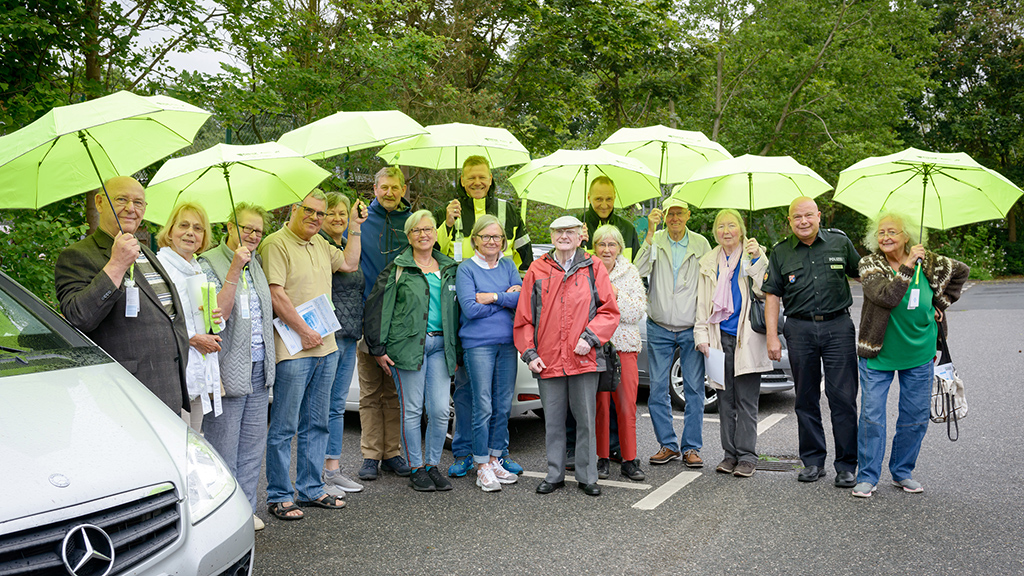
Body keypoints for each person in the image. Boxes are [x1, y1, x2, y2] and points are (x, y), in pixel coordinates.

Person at [259, 189, 365, 520]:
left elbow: (349, 262)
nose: (316, 218)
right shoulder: (275, 244)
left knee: (317, 422)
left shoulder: (321, 243)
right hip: (293, 349)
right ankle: (279, 494)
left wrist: (357, 227)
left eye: (321, 213)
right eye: (310, 211)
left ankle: (310, 488)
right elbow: (276, 295)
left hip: (327, 346)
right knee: (285, 426)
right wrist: (303, 331)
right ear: (294, 209)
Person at [851, 212, 969, 498]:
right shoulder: (870, 264)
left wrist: (940, 302)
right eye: (881, 232)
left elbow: (961, 272)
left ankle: (902, 471)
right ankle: (867, 476)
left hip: (920, 350)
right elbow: (887, 297)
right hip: (878, 353)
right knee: (871, 416)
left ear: (907, 236)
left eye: (893, 232)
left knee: (914, 417)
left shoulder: (929, 261)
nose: (886, 237)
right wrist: (906, 265)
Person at [55, 176, 189, 414]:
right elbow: (78, 317)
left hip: (167, 388)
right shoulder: (77, 256)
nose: (131, 208)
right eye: (121, 199)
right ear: (99, 202)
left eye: (138, 202)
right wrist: (116, 264)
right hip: (122, 395)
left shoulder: (146, 252)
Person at [437, 155, 531, 479]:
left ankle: (499, 455)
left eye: (482, 177)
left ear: (491, 178)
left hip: (500, 309)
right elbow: (436, 251)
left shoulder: (507, 208)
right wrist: (447, 223)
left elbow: (524, 251)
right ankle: (465, 454)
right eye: (470, 177)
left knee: (498, 398)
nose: (477, 182)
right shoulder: (451, 210)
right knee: (467, 392)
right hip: (459, 301)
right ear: (462, 180)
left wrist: (503, 297)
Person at [514, 216, 619, 497]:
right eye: (559, 231)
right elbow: (524, 318)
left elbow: (609, 311)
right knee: (554, 421)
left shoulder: (594, 266)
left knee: (586, 420)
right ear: (551, 235)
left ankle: (587, 476)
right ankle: (554, 473)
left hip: (583, 358)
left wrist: (591, 337)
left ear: (580, 236)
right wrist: (529, 353)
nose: (564, 236)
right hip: (547, 358)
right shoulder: (537, 269)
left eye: (569, 231)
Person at [763, 196, 860, 487]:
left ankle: (846, 464)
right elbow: (772, 296)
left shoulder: (840, 243)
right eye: (797, 217)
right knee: (805, 398)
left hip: (838, 327)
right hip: (800, 329)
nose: (803, 222)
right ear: (789, 221)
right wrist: (771, 336)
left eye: (808, 215)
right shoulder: (780, 252)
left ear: (819, 216)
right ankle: (813, 461)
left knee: (842, 398)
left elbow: (868, 276)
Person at [364, 210, 460, 492]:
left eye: (428, 229)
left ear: (435, 233)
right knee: (412, 410)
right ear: (409, 236)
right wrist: (378, 348)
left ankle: (432, 465)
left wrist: (458, 351)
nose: (423, 234)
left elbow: (457, 311)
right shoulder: (398, 268)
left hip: (441, 347)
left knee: (441, 410)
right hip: (407, 349)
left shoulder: (449, 268)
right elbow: (377, 308)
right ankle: (416, 467)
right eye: (417, 230)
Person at [199, 202, 276, 531]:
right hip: (228, 369)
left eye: (259, 230)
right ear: (229, 226)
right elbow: (215, 318)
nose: (253, 235)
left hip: (259, 367)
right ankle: (223, 517)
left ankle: (246, 508)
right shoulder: (209, 263)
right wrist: (234, 268)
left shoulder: (256, 263)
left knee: (252, 446)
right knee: (224, 447)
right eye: (247, 228)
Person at [634, 198, 712, 468]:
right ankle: (667, 444)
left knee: (693, 389)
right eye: (670, 214)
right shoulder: (656, 240)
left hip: (692, 327)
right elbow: (638, 271)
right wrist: (648, 234)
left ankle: (691, 447)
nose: (675, 218)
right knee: (656, 389)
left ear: (688, 214)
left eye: (680, 213)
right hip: (659, 326)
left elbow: (710, 280)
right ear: (664, 216)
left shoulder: (701, 243)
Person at [694, 209, 771, 478]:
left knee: (747, 401)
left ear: (740, 228)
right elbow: (702, 303)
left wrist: (757, 259)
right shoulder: (707, 261)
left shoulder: (753, 253)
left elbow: (764, 289)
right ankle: (730, 455)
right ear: (715, 232)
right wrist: (701, 337)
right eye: (721, 226)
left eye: (731, 226)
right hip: (717, 338)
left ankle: (748, 456)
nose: (726, 231)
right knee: (724, 400)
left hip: (745, 338)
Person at [455, 214, 523, 492]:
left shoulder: (508, 265)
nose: (492, 241)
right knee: (482, 405)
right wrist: (505, 298)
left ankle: (496, 458)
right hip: (478, 345)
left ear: (503, 241)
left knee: (502, 404)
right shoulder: (466, 269)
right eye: (486, 236)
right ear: (475, 240)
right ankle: (481, 463)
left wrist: (493, 296)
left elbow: (521, 299)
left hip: (507, 343)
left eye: (497, 237)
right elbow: (470, 309)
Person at [356, 167, 413, 481]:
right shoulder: (362, 220)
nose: (389, 193)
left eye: (395, 187)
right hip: (368, 316)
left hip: (401, 320)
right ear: (374, 188)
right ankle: (370, 455)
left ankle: (392, 452)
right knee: (370, 391)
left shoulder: (412, 222)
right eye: (384, 187)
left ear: (403, 189)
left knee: (393, 391)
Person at [155, 201, 221, 431]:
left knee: (194, 442)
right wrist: (194, 338)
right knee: (178, 442)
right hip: (175, 372)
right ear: (170, 231)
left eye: (198, 228)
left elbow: (197, 316)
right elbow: (159, 318)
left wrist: (213, 318)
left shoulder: (196, 268)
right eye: (184, 225)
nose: (190, 233)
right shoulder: (160, 267)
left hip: (197, 369)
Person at [318, 192, 365, 495]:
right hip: (327, 335)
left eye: (342, 213)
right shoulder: (321, 246)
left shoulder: (345, 244)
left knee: (336, 406)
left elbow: (354, 262)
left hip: (349, 334)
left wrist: (357, 226)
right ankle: (319, 473)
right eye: (332, 212)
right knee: (322, 406)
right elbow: (346, 267)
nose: (338, 218)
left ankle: (332, 469)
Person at [591, 224, 646, 482]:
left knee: (626, 406)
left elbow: (636, 312)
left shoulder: (630, 272)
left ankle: (629, 459)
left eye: (611, 244)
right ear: (594, 247)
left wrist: (614, 294)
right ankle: (601, 458)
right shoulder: (587, 270)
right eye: (601, 244)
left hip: (624, 347)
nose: (606, 249)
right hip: (596, 348)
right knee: (599, 405)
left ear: (620, 248)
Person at [581, 176, 642, 262]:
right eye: (599, 199)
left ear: (614, 197)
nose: (604, 205)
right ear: (589, 198)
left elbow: (637, 268)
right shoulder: (576, 228)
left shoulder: (628, 229)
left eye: (609, 199)